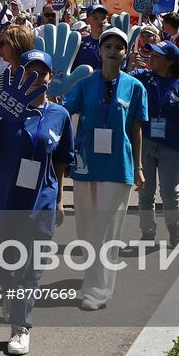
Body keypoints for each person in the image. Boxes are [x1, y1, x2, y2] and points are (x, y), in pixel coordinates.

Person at [0, 49, 74, 356]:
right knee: (5, 261)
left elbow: (61, 161)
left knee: (32, 266)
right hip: (4, 197)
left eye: (41, 72)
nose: (35, 79)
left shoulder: (60, 115)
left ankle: (22, 325)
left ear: (51, 77)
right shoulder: (5, 109)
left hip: (41, 201)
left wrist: (59, 200)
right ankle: (10, 294)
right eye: (28, 73)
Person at [62, 27, 145, 310]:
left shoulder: (135, 87)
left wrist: (139, 167)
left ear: (126, 53)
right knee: (86, 230)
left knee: (106, 230)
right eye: (107, 46)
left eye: (118, 47)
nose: (112, 51)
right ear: (99, 51)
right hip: (86, 165)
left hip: (117, 166)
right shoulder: (85, 84)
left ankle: (97, 292)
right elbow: (65, 112)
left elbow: (135, 129)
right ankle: (92, 281)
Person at [132, 41, 179, 245]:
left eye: (157, 56)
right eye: (151, 54)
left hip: (171, 146)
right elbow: (122, 77)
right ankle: (148, 232)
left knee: (170, 192)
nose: (151, 57)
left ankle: (173, 227)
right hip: (145, 143)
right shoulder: (143, 76)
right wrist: (130, 66)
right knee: (145, 191)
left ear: (168, 61)